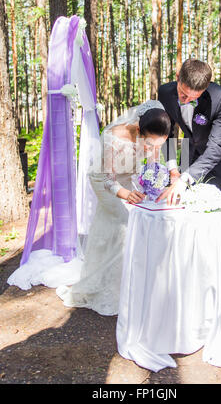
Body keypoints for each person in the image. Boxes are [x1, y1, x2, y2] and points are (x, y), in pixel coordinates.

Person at [56, 100, 171, 316]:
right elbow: (106, 178)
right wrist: (126, 194)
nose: (154, 149)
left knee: (140, 221)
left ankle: (134, 284)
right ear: (138, 129)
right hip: (104, 181)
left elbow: (152, 161)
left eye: (159, 145)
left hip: (127, 179)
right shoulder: (113, 138)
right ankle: (109, 289)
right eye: (150, 144)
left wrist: (154, 180)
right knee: (124, 226)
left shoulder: (156, 121)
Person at [157, 58, 221, 205]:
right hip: (190, 152)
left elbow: (216, 147)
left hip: (219, 158)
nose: (187, 101)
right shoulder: (165, 93)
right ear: (177, 77)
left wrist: (185, 178)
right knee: (183, 203)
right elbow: (166, 134)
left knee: (213, 205)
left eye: (194, 98)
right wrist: (173, 169)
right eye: (183, 94)